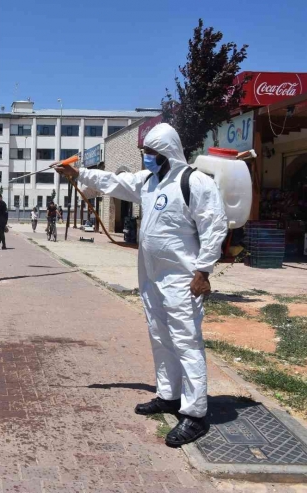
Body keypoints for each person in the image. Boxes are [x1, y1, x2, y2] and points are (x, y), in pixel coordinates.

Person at [56, 123, 228, 446]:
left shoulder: (193, 183)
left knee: (186, 341)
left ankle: (195, 413)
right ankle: (168, 395)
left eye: (150, 153)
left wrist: (203, 270)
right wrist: (78, 174)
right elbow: (114, 182)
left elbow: (215, 224)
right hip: (151, 277)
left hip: (182, 279)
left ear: (166, 153)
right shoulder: (149, 183)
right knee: (160, 336)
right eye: (144, 152)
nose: (146, 158)